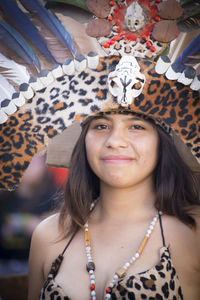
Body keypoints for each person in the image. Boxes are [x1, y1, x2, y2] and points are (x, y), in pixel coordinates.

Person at [28, 108, 200, 299]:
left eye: (136, 126)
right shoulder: (49, 235)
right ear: (84, 139)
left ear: (162, 141)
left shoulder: (192, 230)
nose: (115, 141)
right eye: (101, 126)